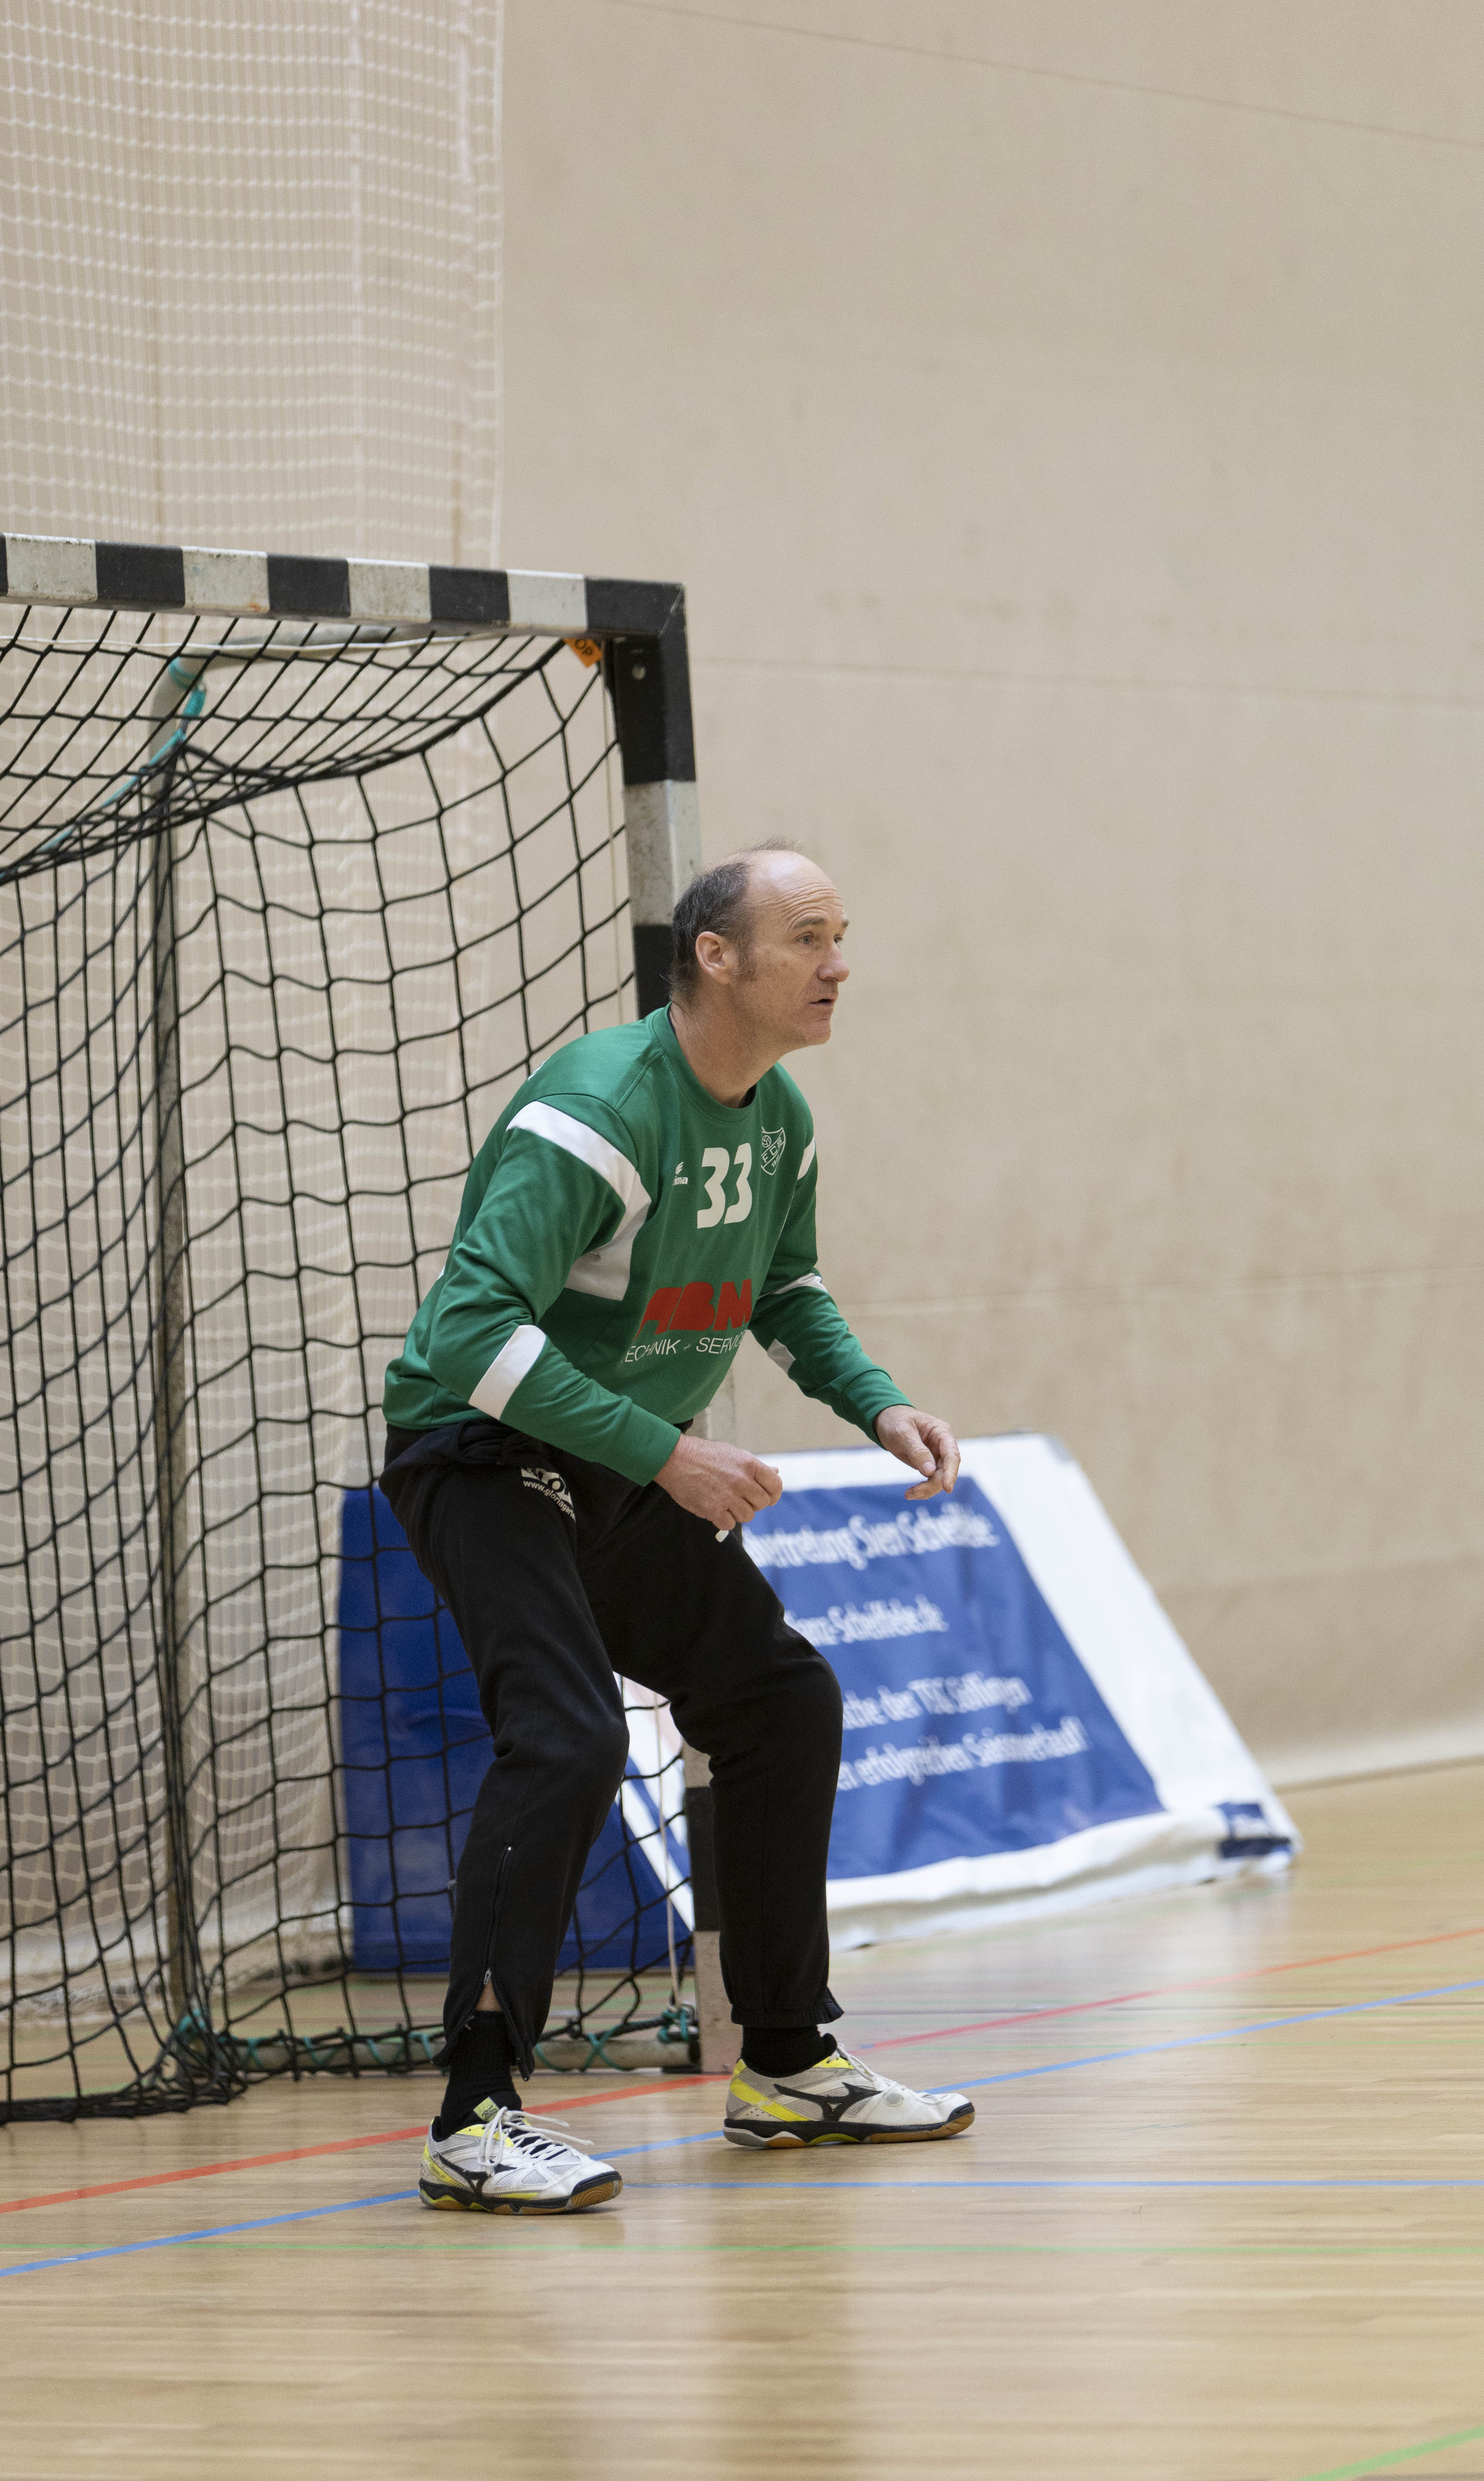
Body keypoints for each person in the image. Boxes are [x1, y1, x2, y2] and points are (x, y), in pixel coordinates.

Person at [379, 841, 972, 2213]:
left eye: (844, 935)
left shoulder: (780, 1123)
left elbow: (789, 1288)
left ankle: (784, 2065)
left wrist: (875, 1407)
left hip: (631, 1470)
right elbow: (464, 1336)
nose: (840, 964)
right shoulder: (594, 1112)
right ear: (718, 955)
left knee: (777, 1699)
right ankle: (474, 2117)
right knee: (570, 1733)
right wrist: (672, 1454)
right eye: (811, 935)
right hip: (483, 1456)